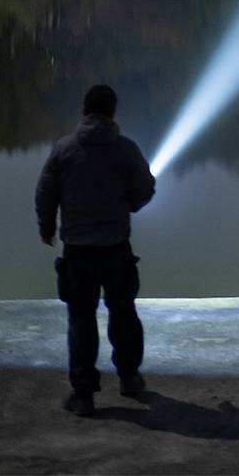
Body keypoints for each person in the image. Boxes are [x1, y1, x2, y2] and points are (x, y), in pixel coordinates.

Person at [35, 84, 156, 417]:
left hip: (77, 251)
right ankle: (130, 378)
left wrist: (47, 229)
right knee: (124, 314)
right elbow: (145, 191)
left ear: (84, 111)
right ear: (113, 112)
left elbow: (45, 194)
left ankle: (84, 395)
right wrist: (129, 203)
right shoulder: (126, 150)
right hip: (116, 248)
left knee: (81, 319)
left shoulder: (63, 150)